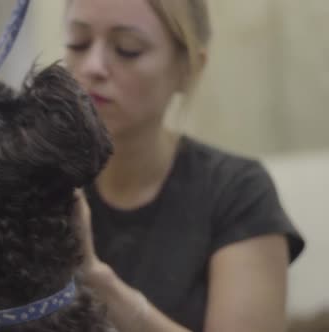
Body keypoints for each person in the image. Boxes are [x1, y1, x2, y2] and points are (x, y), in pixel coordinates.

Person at [63, 0, 305, 331]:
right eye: (78, 42)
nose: (92, 66)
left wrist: (101, 284)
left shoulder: (238, 193)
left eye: (127, 49)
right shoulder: (47, 184)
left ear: (188, 67)